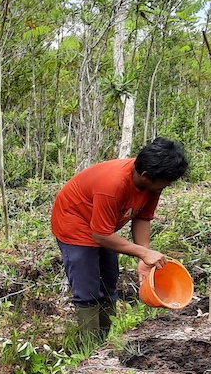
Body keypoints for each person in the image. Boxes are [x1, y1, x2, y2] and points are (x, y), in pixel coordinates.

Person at [49, 137, 189, 339]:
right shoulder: (113, 185)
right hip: (75, 223)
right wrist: (143, 252)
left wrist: (144, 258)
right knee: (87, 289)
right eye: (163, 184)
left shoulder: (153, 183)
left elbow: (142, 217)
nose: (164, 187)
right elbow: (101, 235)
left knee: (109, 280)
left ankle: (104, 340)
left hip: (103, 226)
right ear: (145, 175)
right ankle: (89, 348)